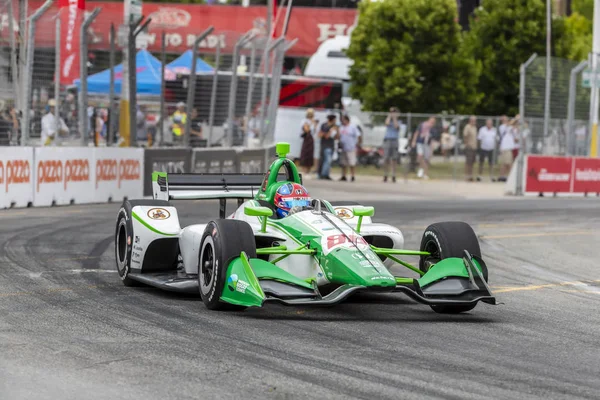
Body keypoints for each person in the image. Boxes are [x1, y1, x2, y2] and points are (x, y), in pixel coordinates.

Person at [338, 114, 361, 182]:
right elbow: (339, 136)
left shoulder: (352, 127)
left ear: (347, 120)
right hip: (343, 148)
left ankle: (352, 176)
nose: (342, 121)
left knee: (352, 163)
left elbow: (358, 135)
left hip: (351, 147)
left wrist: (358, 143)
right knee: (343, 163)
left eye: (343, 120)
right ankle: (344, 175)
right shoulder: (341, 127)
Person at [383, 107, 400, 183]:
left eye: (394, 112)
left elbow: (397, 127)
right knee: (386, 158)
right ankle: (385, 174)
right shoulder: (388, 120)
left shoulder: (399, 121)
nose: (393, 113)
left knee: (394, 158)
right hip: (387, 139)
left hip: (394, 140)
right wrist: (389, 116)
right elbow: (386, 123)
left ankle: (393, 175)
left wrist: (394, 118)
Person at [318, 114, 337, 180]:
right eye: (335, 120)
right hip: (325, 146)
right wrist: (331, 131)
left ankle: (326, 174)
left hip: (331, 145)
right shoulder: (325, 126)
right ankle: (323, 174)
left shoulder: (334, 126)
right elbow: (323, 136)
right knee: (327, 161)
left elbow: (337, 137)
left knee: (327, 161)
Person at [299, 108, 318, 174]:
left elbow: (315, 131)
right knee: (305, 154)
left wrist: (315, 124)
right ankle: (304, 171)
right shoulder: (304, 121)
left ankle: (308, 171)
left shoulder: (313, 121)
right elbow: (306, 130)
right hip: (306, 139)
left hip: (311, 140)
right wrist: (311, 123)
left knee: (310, 155)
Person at [463, 116, 478, 181]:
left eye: (475, 120)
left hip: (474, 147)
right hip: (469, 147)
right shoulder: (467, 127)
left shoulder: (475, 128)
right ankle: (466, 176)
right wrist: (467, 144)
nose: (474, 122)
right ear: (470, 120)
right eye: (473, 120)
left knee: (472, 162)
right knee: (468, 162)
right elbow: (465, 136)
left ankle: (470, 176)